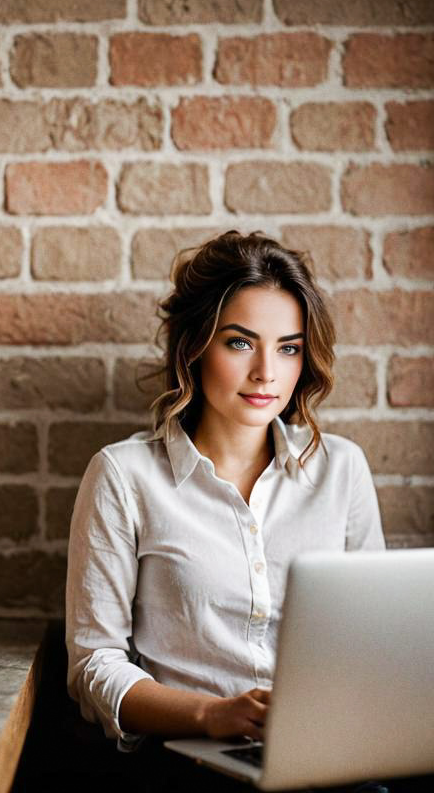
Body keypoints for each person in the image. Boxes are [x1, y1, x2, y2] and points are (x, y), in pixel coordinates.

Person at [64, 230, 386, 790]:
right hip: (188, 763)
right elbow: (94, 665)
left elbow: (378, 640)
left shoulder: (342, 470)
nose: (267, 371)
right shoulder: (124, 475)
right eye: (240, 342)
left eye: (288, 347)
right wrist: (210, 715)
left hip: (330, 759)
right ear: (194, 346)